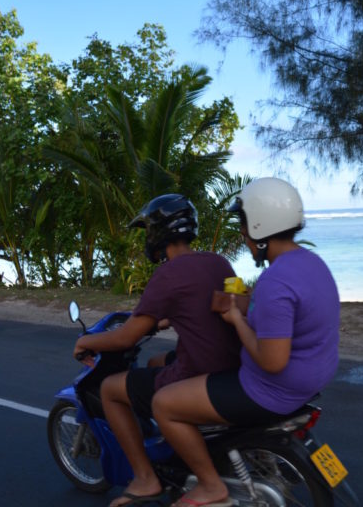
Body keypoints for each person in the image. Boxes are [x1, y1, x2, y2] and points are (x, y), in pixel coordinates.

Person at [151, 178, 341, 507]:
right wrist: (245, 305)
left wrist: (237, 320)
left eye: (242, 224)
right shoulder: (311, 263)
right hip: (310, 381)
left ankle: (210, 486)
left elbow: (272, 361)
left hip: (269, 391)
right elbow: (286, 315)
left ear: (258, 224)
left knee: (164, 404)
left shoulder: (276, 280)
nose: (242, 234)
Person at [73, 193, 241, 507]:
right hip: (229, 362)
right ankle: (175, 443)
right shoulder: (218, 262)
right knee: (154, 361)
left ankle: (146, 478)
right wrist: (163, 320)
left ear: (156, 234)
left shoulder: (166, 275)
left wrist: (86, 342)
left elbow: (125, 338)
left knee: (110, 388)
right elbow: (211, 304)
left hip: (200, 369)